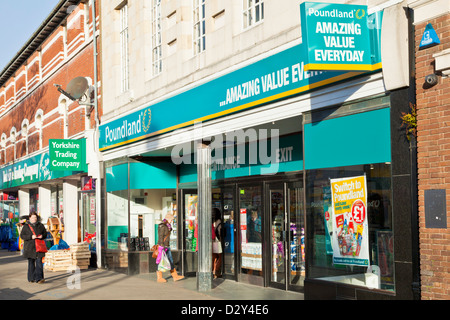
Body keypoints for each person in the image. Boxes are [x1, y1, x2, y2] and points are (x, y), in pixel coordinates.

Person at [20, 212, 47, 283]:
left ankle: (39, 278)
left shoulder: (40, 225)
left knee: (39, 263)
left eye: (35, 217)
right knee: (31, 263)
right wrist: (30, 237)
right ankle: (31, 278)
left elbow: (45, 233)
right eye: (32, 217)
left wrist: (42, 236)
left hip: (39, 247)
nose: (34, 219)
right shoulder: (26, 226)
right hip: (30, 247)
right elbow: (22, 236)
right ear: (29, 218)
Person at [156, 213, 184, 283]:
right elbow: (161, 237)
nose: (172, 221)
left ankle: (175, 276)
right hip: (162, 246)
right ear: (168, 219)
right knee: (160, 261)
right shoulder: (162, 226)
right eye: (171, 219)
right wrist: (162, 247)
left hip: (167, 246)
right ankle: (159, 278)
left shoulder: (167, 226)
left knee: (170, 261)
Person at [212, 208, 223, 279]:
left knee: (214, 257)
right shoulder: (219, 221)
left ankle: (213, 271)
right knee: (220, 257)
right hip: (218, 241)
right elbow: (220, 232)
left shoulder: (211, 221)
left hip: (212, 241)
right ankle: (216, 271)